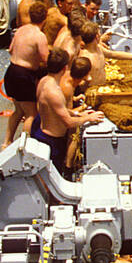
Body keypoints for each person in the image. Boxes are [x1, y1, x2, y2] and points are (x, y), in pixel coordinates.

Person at [30, 49, 104, 177]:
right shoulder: (54, 92)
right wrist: (89, 118)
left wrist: (77, 114)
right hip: (51, 139)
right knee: (52, 177)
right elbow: (69, 123)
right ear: (65, 68)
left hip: (40, 129)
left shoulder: (44, 81)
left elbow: (54, 108)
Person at [4, 0, 49, 145]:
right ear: (45, 18)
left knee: (18, 110)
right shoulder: (39, 36)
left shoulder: (21, 30)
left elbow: (11, 49)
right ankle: (24, 146)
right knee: (31, 114)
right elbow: (46, 59)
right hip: (24, 76)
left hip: (11, 71)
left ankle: (7, 141)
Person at [78, 21, 132, 88]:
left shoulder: (99, 48)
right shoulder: (84, 58)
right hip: (92, 92)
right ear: (97, 37)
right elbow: (79, 84)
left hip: (102, 88)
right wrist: (87, 83)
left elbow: (115, 55)